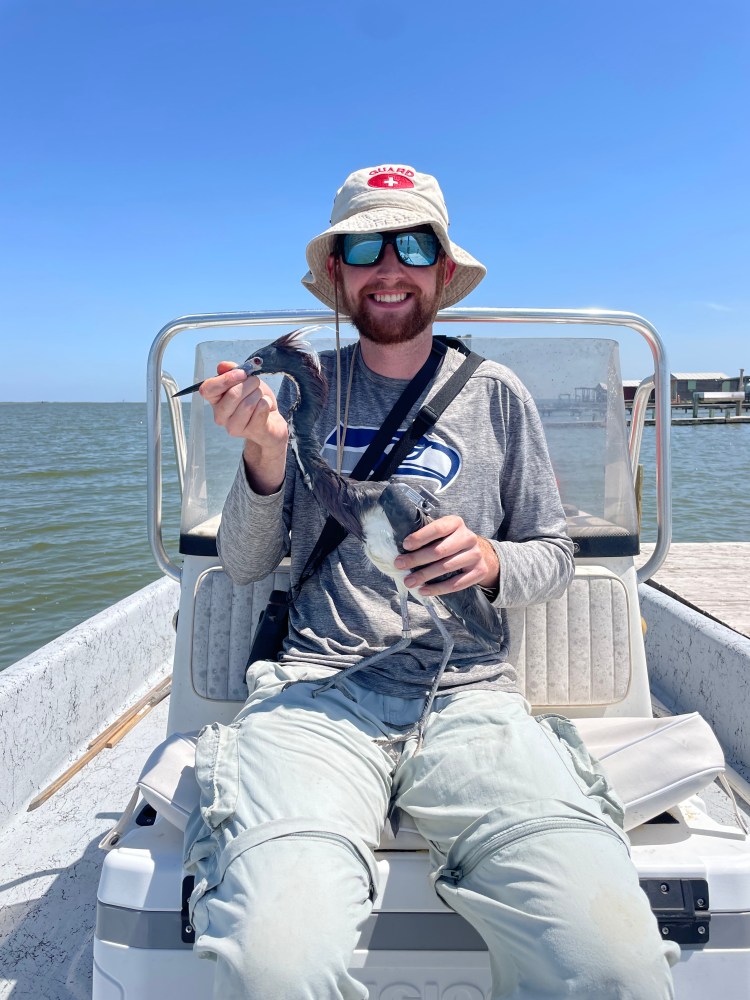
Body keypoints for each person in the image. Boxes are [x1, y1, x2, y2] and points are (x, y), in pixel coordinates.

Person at [184, 164, 678, 999]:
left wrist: (490, 560)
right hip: (318, 693)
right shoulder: (299, 395)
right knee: (272, 964)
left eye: (413, 246)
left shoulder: (498, 394)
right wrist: (264, 453)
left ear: (443, 270)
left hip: (471, 696)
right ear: (336, 272)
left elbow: (553, 554)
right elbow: (242, 563)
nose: (390, 267)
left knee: (612, 966)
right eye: (364, 248)